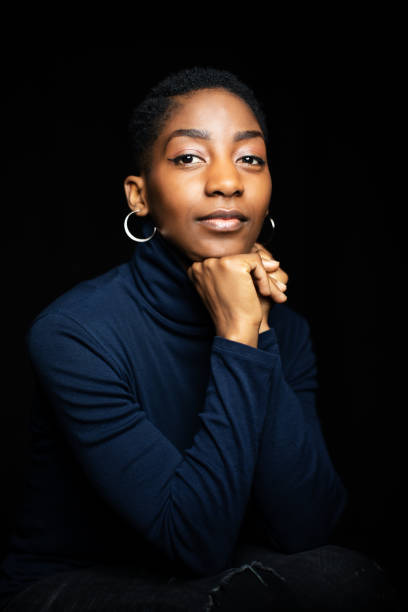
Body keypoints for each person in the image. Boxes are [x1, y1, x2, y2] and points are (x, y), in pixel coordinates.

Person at [0, 66, 402, 611]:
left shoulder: (288, 328)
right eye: (190, 157)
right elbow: (194, 539)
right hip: (74, 584)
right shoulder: (74, 333)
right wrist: (236, 336)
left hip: (228, 579)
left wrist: (257, 325)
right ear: (139, 196)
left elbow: (308, 526)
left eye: (249, 159)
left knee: (348, 576)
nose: (227, 182)